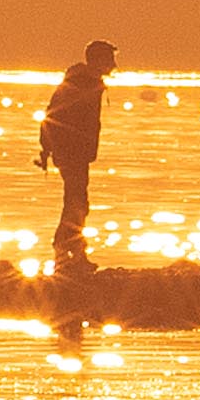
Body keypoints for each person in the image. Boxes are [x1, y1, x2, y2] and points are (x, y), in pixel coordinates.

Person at [38, 39, 117, 272]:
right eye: (110, 60)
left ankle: (70, 252)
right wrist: (47, 148)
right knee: (77, 203)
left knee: (77, 202)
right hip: (72, 152)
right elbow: (52, 115)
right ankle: (67, 253)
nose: (114, 66)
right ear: (99, 60)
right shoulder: (80, 84)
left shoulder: (88, 82)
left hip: (77, 152)